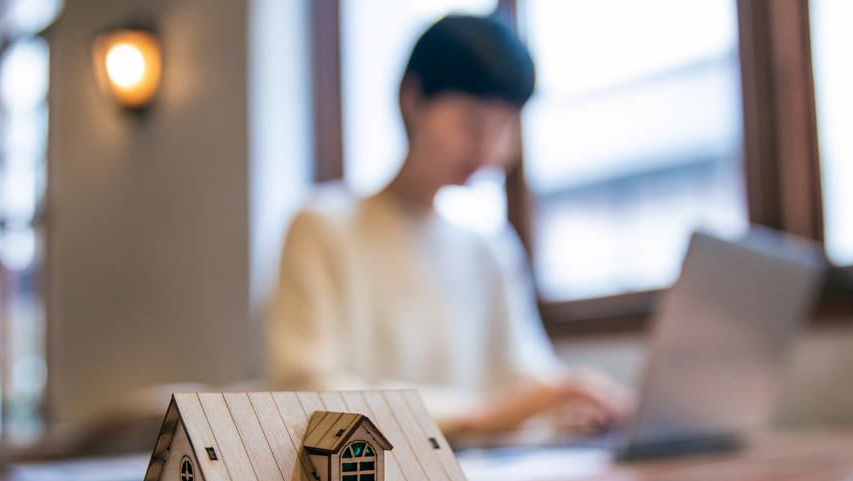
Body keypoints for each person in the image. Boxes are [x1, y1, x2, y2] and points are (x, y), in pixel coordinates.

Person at [265, 13, 631, 439]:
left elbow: (526, 378)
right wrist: (480, 415)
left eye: (505, 127)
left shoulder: (490, 249)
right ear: (412, 98)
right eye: (471, 123)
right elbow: (305, 392)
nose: (487, 148)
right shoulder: (323, 226)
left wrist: (571, 406)